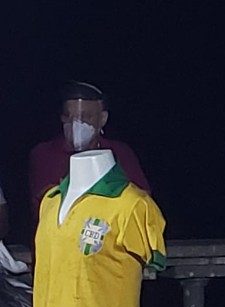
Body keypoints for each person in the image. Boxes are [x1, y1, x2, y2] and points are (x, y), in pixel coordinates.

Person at [28, 81, 151, 223]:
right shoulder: (44, 154)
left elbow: (142, 200)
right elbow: (45, 204)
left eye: (85, 117)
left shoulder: (120, 152)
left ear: (102, 119)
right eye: (69, 117)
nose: (76, 124)